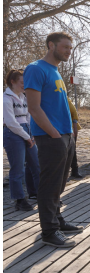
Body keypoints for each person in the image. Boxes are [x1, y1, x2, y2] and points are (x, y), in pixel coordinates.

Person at [25, 31, 84, 247]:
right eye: (65, 47)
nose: (69, 51)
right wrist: (54, 134)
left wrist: (69, 131)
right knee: (49, 184)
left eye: (70, 48)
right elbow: (33, 107)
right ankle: (49, 232)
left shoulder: (56, 72)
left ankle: (57, 221)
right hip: (51, 136)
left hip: (65, 135)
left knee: (59, 183)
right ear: (51, 45)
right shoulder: (35, 68)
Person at [3, 69, 40, 211]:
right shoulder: (6, 98)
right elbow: (11, 122)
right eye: (22, 82)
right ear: (12, 82)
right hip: (12, 133)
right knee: (17, 169)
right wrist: (26, 136)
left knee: (36, 165)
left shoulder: (24, 97)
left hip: (26, 131)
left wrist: (31, 134)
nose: (24, 85)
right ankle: (19, 200)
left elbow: (28, 115)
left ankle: (41, 195)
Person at [68, 98, 83, 178]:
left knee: (72, 150)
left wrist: (75, 126)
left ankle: (74, 170)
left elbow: (74, 113)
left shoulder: (66, 99)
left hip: (70, 129)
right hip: (56, 129)